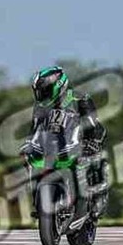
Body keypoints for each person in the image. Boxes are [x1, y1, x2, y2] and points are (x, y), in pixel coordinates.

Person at [19, 66, 108, 219]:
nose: (41, 95)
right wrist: (28, 144)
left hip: (80, 142)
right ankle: (38, 202)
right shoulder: (40, 106)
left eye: (45, 90)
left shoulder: (80, 99)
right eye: (39, 91)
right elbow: (35, 129)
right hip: (52, 147)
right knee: (30, 161)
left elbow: (94, 124)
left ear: (58, 85)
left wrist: (93, 141)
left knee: (96, 157)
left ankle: (99, 197)